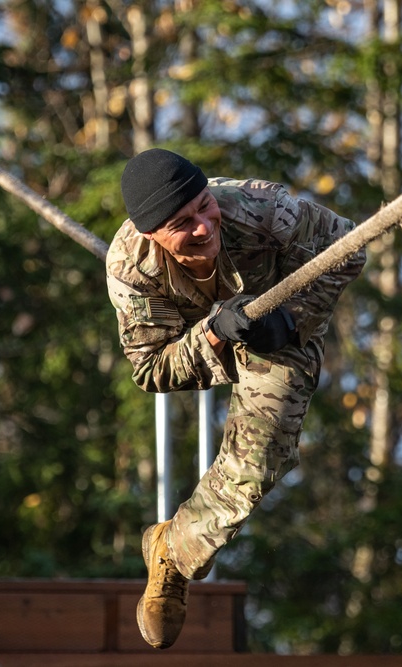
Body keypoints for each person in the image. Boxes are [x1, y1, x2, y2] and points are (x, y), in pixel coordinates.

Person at [105, 148, 365, 649]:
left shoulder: (260, 210)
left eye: (205, 206)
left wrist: (291, 319)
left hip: (281, 322)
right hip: (198, 336)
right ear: (150, 234)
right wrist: (213, 336)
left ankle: (172, 551)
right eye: (183, 223)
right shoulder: (130, 270)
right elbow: (152, 369)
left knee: (261, 460)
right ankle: (175, 561)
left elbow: (349, 248)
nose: (204, 226)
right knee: (246, 440)